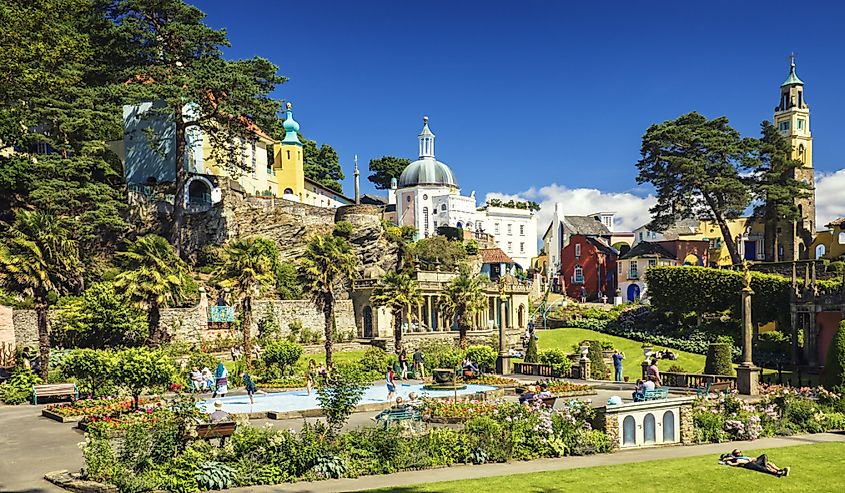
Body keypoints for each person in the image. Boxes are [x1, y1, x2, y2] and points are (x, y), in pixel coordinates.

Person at [719, 449, 790, 477]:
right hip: (750, 464)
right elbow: (738, 463)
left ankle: (780, 470)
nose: (740, 453)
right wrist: (728, 462)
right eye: (738, 452)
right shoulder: (735, 459)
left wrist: (753, 459)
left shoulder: (740, 457)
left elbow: (751, 458)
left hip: (754, 461)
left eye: (740, 452)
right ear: (734, 454)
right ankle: (778, 473)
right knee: (764, 465)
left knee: (767, 461)